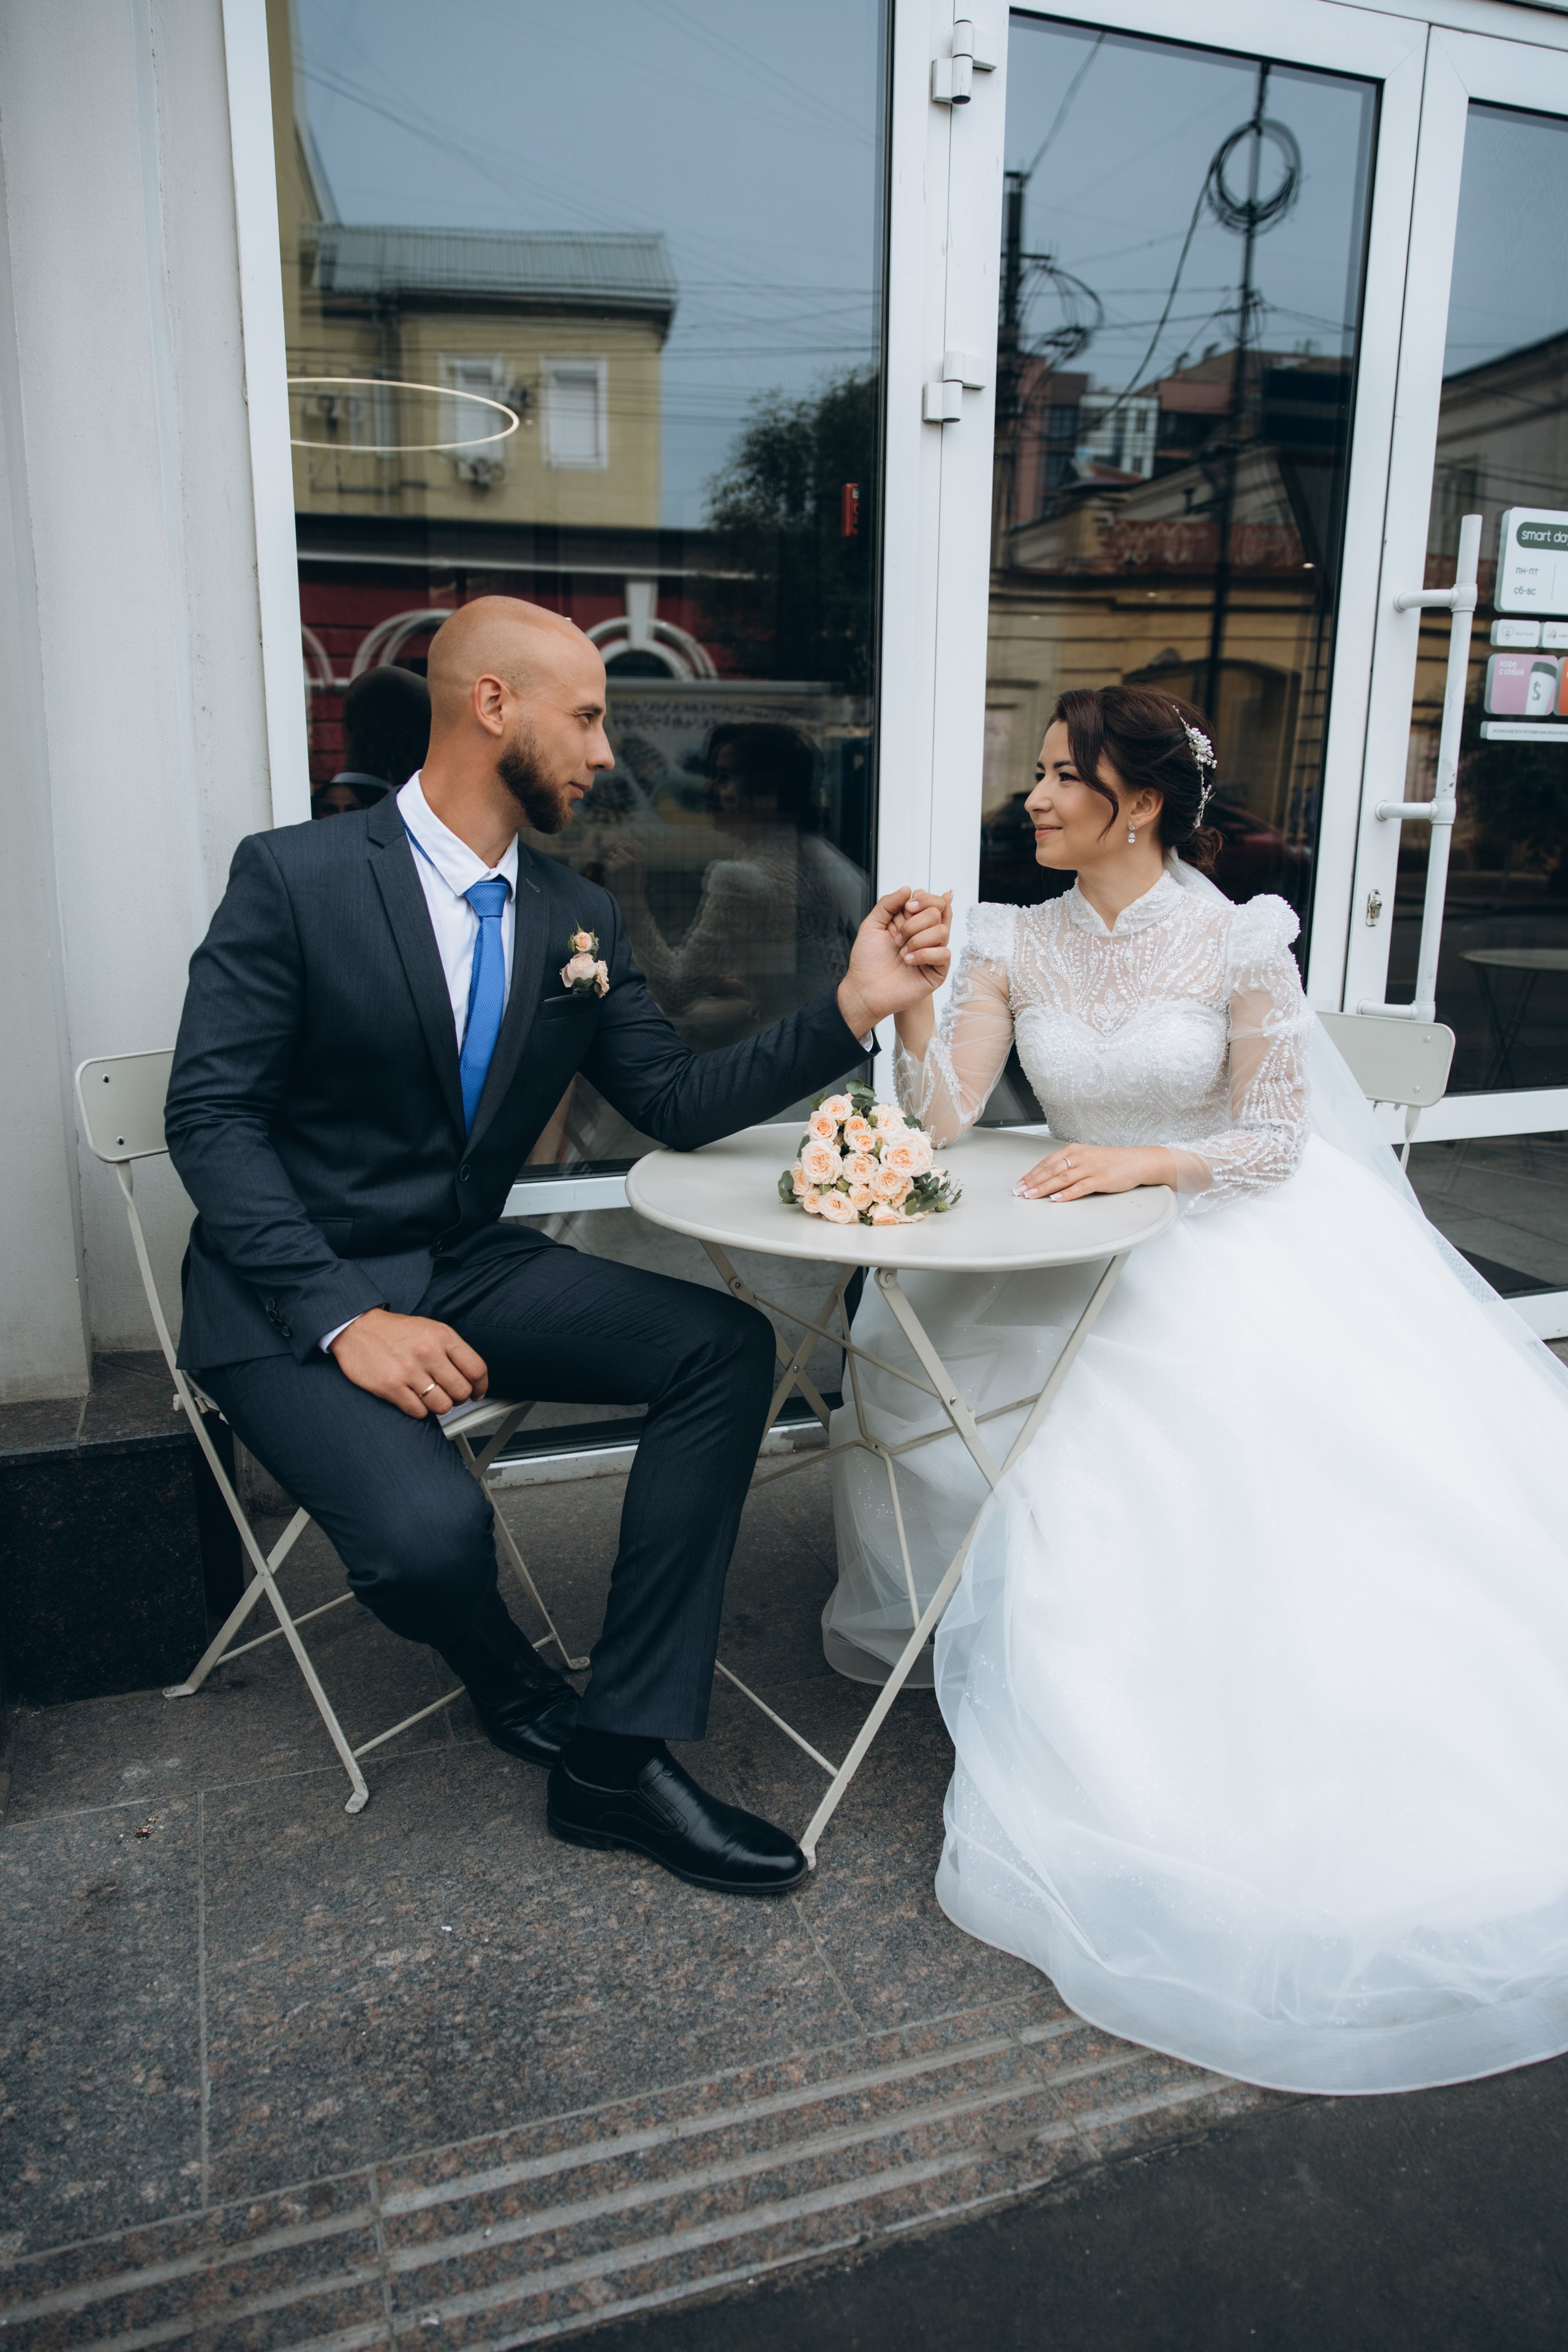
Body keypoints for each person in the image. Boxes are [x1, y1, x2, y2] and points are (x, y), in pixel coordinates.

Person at [831, 682, 1568, 2094]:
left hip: (1222, 1236)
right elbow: (942, 1122)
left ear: (1144, 801)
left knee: (1185, 1438)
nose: (1031, 797)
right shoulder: (1013, 938)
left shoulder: (1244, 938)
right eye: (1034, 775)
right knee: (936, 1371)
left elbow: (1276, 1140)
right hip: (1066, 1234)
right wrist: (917, 1013)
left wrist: (1150, 1161)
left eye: (1060, 775)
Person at [164, 596, 949, 1897]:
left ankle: (616, 1754)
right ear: (492, 706)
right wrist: (344, 1320)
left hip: (459, 1264)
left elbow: (679, 1103)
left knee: (722, 1346)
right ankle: (509, 1678)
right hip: (288, 1290)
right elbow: (211, 1115)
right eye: (585, 717)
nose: (602, 753)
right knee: (426, 1541)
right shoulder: (294, 877)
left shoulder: (574, 911)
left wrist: (851, 1006)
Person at [606, 723, 867, 1046]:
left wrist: (631, 899)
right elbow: (797, 969)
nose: (708, 790)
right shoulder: (814, 852)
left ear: (767, 791)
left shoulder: (740, 879)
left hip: (790, 1049)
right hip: (835, 1041)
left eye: (724, 777)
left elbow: (676, 992)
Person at [311, 665, 433, 816]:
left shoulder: (313, 806)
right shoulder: (408, 815)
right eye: (430, 739)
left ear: (347, 733)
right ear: (407, 746)